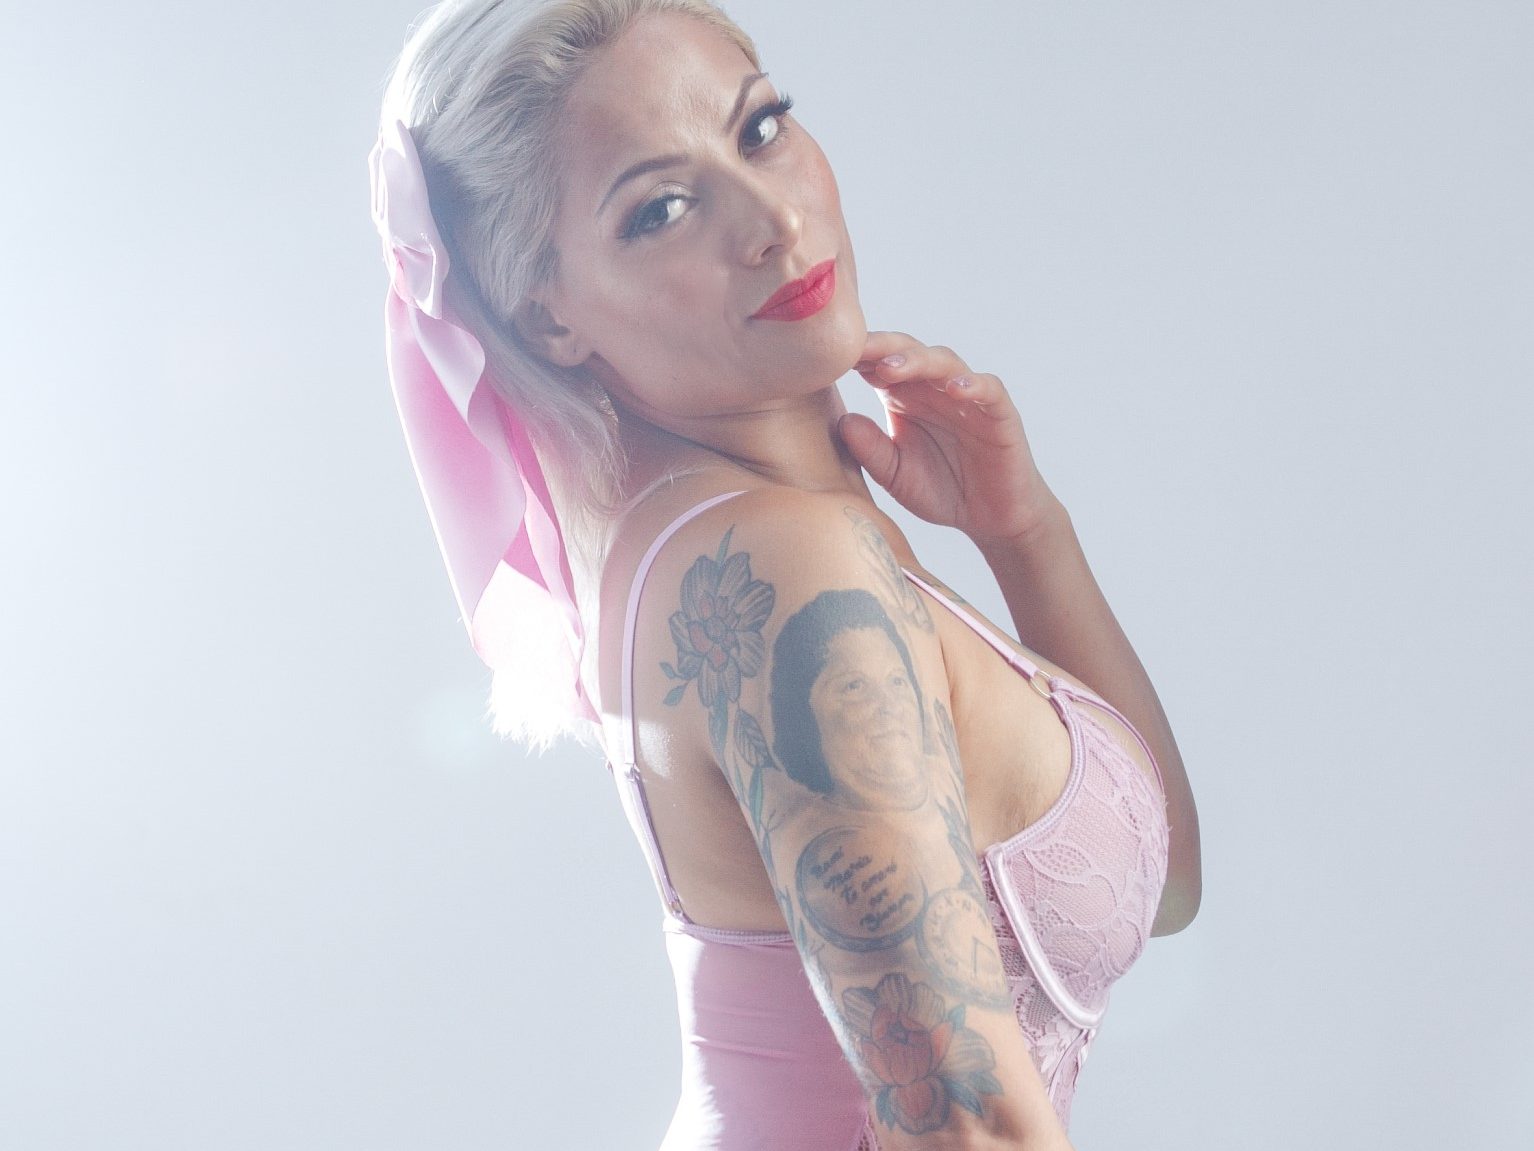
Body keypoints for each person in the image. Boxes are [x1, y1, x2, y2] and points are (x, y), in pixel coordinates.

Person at [368, 1, 1202, 1147]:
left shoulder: (739, 536)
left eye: (758, 129)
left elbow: (1161, 889)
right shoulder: (777, 568)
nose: (771, 220)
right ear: (545, 315)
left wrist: (1024, 533)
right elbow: (971, 1128)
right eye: (660, 209)